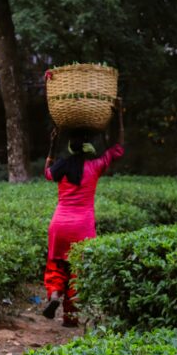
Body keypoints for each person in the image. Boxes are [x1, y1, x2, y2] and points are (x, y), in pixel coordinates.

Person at [42, 100, 125, 327]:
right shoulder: (95, 166)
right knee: (78, 271)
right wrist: (117, 119)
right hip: (82, 228)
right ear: (89, 148)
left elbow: (47, 171)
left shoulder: (61, 167)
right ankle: (71, 317)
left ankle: (55, 295)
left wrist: (52, 143)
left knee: (57, 265)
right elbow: (118, 149)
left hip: (59, 226)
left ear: (69, 146)